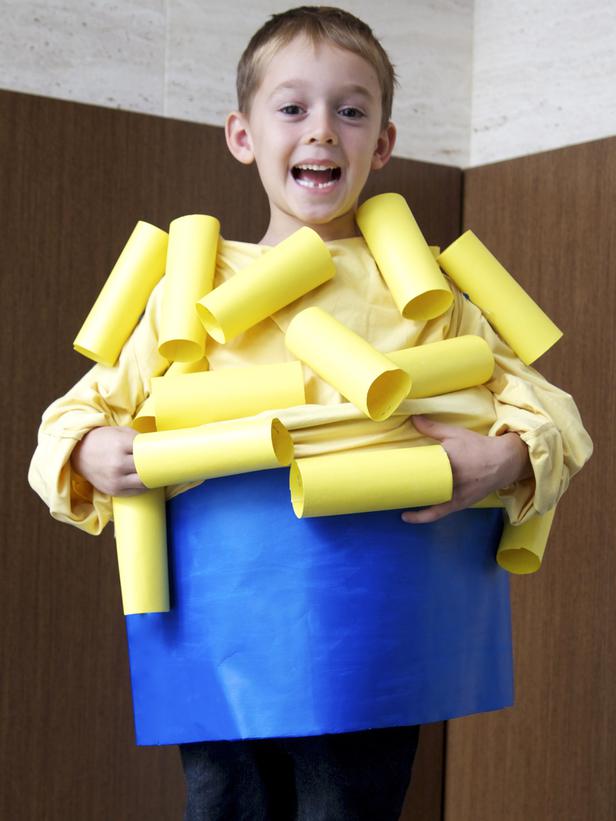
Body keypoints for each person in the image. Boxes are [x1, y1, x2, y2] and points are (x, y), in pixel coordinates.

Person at [29, 6, 592, 820]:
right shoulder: (190, 288)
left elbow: (552, 412)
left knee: (348, 801)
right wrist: (89, 450)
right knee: (225, 802)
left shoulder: (428, 292)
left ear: (383, 144)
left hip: (370, 632)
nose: (322, 129)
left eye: (350, 110)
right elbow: (75, 413)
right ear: (243, 135)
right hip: (222, 628)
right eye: (292, 107)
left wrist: (502, 459)